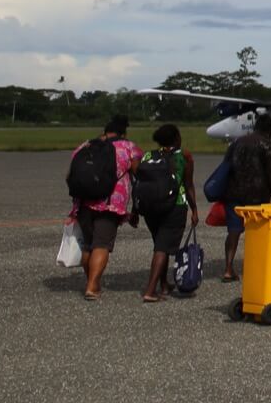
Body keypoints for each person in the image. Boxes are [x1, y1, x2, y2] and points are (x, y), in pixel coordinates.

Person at [68, 115, 140, 301]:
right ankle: (92, 287)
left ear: (105, 131)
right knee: (102, 245)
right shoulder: (128, 147)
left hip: (83, 202)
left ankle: (92, 281)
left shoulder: (86, 146)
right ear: (124, 132)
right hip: (110, 203)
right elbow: (138, 173)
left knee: (88, 245)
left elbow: (70, 173)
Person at [136, 124, 198, 303]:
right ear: (177, 138)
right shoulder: (184, 156)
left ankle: (164, 284)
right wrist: (194, 209)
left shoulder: (148, 155)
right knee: (162, 248)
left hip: (150, 208)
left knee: (159, 244)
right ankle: (150, 290)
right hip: (174, 206)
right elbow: (188, 185)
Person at [221, 111, 271, 283]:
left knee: (234, 230)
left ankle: (228, 268)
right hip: (257, 195)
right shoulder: (267, 144)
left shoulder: (237, 142)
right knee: (257, 232)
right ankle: (256, 267)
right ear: (269, 130)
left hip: (233, 192)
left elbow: (226, 166)